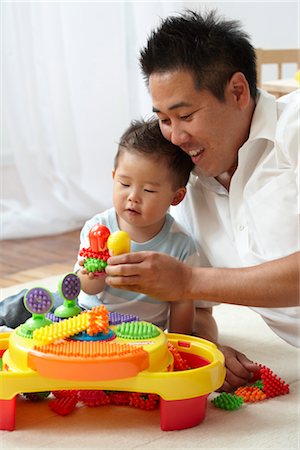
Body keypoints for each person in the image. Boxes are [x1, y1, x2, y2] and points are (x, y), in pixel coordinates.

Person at [105, 10, 299, 391]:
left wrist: (190, 281)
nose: (174, 136)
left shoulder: (293, 132)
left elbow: (191, 284)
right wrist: (207, 347)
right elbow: (197, 305)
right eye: (163, 118)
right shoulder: (184, 186)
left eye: (186, 115)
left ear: (238, 92)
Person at [74, 117, 213, 335]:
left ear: (176, 197)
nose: (133, 197)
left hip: (145, 332)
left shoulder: (181, 245)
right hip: (89, 322)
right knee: (43, 311)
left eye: (148, 190)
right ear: (113, 177)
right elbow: (87, 288)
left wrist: (177, 344)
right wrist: (94, 273)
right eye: (124, 184)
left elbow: (182, 303)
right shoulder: (98, 228)